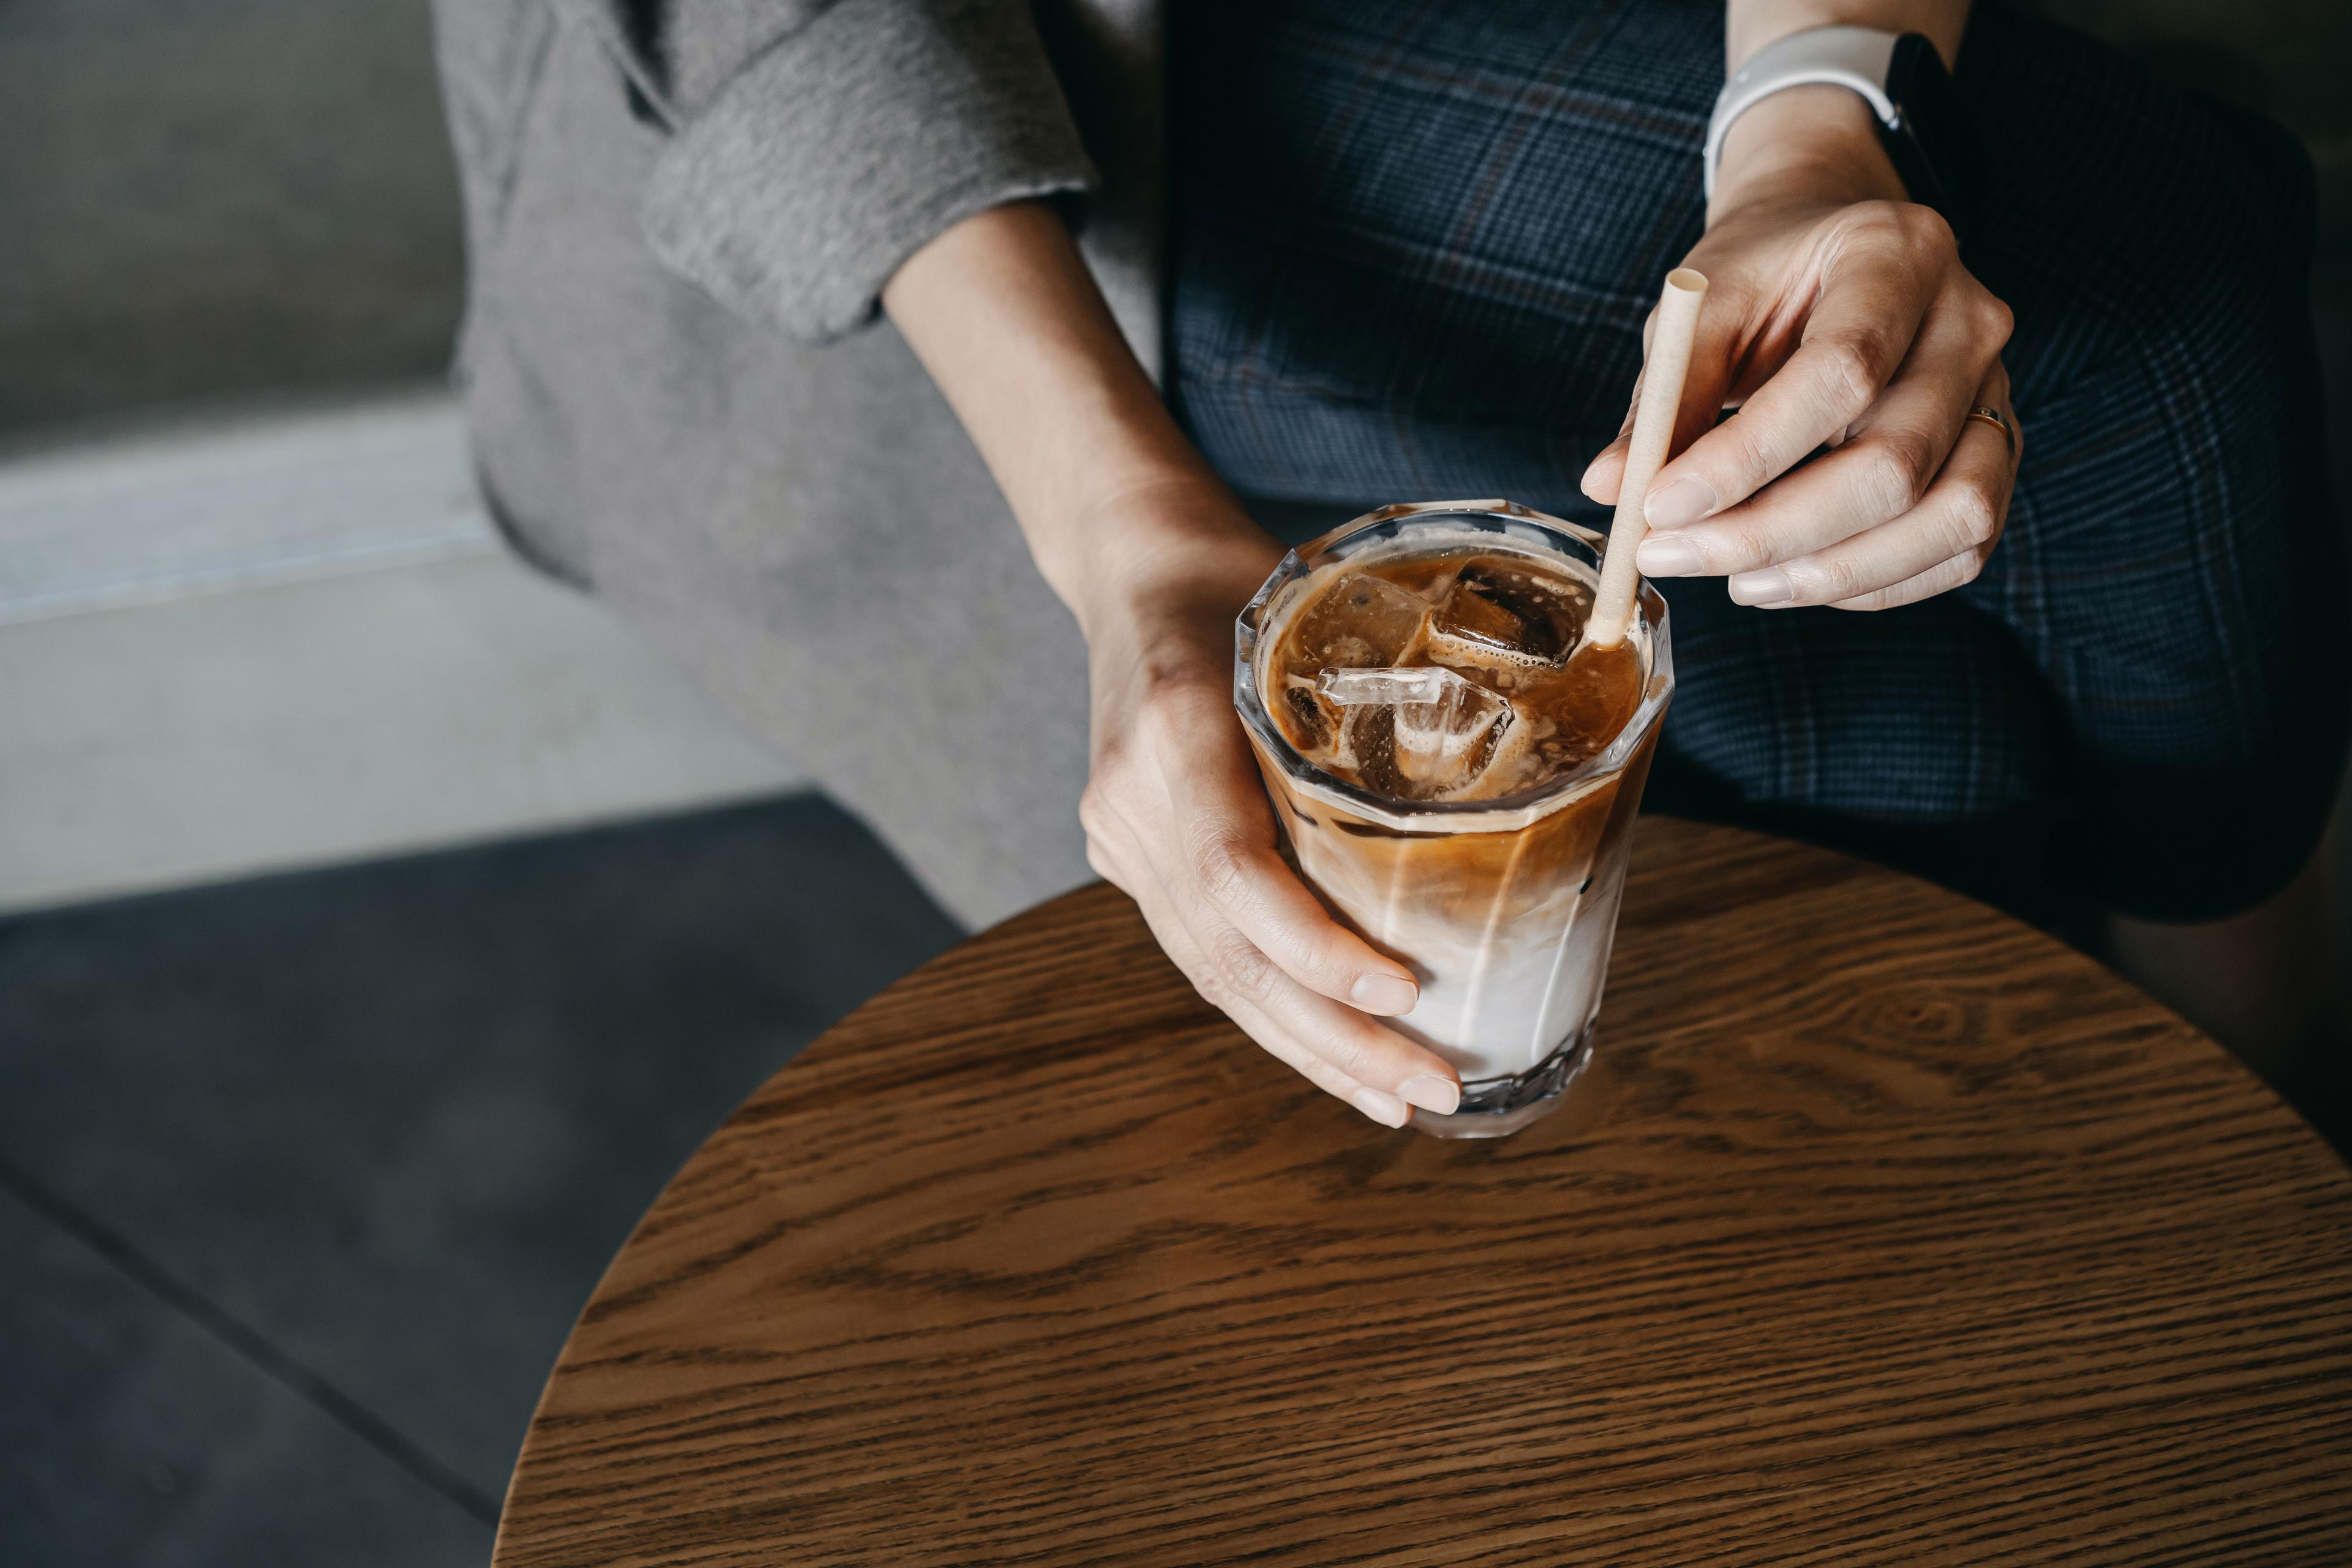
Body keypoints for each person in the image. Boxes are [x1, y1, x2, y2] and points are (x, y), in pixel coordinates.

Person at [430, 0, 2346, 1127]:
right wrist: (1127, 548)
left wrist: (1819, 121)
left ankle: (2259, 1126)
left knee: (2108, 308)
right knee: (2075, 390)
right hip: (976, 66)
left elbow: (1837, 121)